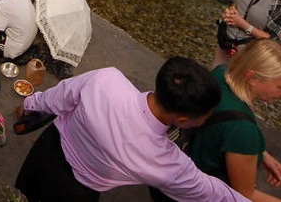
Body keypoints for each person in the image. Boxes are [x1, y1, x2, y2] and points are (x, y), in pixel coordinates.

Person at [15, 56, 251, 202]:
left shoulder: (107, 79)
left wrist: (30, 104)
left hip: (47, 149)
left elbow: (59, 96)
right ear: (181, 120)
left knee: (20, 192)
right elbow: (211, 193)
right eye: (204, 117)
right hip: (76, 191)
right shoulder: (165, 163)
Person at [152, 40, 281, 202]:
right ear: (252, 78)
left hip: (171, 179)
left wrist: (262, 153)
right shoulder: (244, 130)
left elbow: (223, 129)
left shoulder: (221, 74)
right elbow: (244, 195)